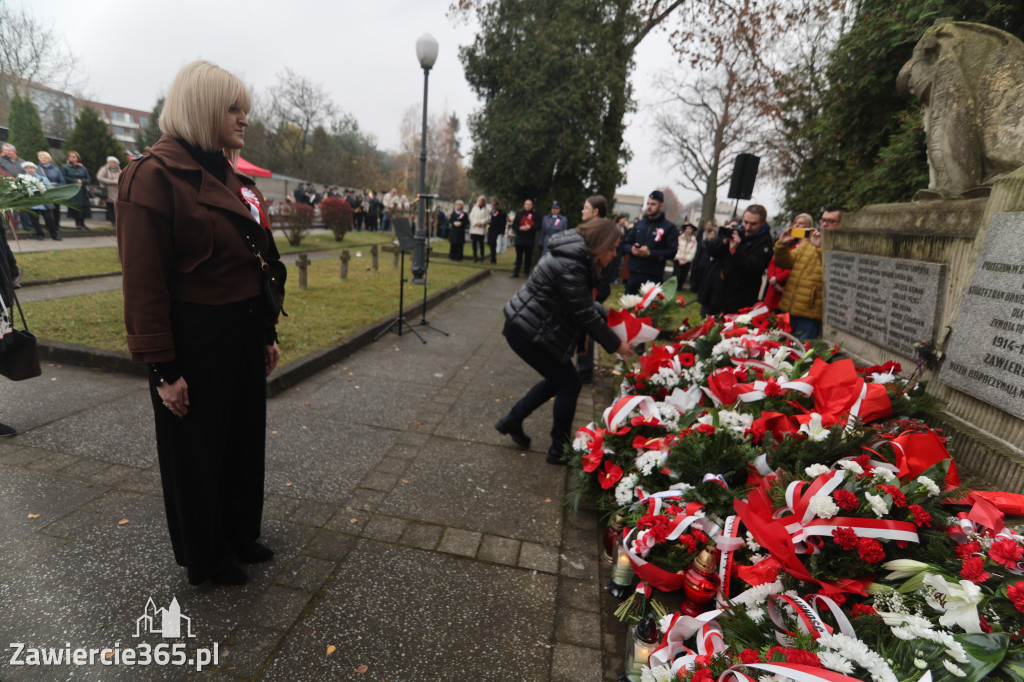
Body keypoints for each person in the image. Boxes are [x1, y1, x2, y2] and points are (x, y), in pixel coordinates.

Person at [116, 60, 280, 586]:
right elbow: (144, 284)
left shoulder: (228, 173)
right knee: (197, 454)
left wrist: (266, 332)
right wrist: (164, 369)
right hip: (195, 341)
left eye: (245, 108)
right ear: (204, 108)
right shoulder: (153, 176)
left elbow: (252, 258)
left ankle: (236, 532)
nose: (244, 118)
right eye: (234, 108)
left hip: (242, 331)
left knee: (240, 440)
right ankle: (205, 556)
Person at [497, 218, 635, 464]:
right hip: (526, 331)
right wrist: (616, 345)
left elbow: (582, 302)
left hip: (527, 327)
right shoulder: (574, 263)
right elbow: (584, 313)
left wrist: (614, 317)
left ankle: (512, 421)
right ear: (600, 244)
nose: (615, 254)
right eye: (612, 248)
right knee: (569, 384)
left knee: (558, 381)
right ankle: (557, 449)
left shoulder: (575, 257)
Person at [773, 208, 844, 339]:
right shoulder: (807, 242)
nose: (824, 224)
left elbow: (834, 272)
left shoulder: (842, 246)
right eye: (823, 220)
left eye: (831, 221)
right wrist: (782, 245)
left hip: (809, 316)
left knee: (801, 355)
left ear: (842, 224)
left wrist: (819, 248)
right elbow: (785, 262)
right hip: (788, 309)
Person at [697, 204, 774, 316]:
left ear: (763, 222)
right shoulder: (736, 229)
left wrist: (735, 251)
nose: (747, 227)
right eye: (746, 222)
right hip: (714, 293)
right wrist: (723, 241)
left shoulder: (765, 243)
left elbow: (753, 267)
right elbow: (711, 250)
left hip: (737, 300)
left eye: (753, 224)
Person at [620, 190, 678, 295]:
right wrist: (632, 250)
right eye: (648, 203)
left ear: (661, 206)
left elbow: (672, 251)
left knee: (648, 307)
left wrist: (650, 253)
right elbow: (625, 244)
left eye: (653, 204)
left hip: (653, 274)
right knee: (629, 305)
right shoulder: (639, 225)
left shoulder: (669, 227)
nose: (649, 207)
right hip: (634, 272)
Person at [764, 213, 813, 311]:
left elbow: (796, 266)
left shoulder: (808, 245)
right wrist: (772, 278)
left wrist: (777, 279)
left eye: (801, 223)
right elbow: (773, 261)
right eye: (795, 222)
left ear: (808, 227)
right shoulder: (788, 241)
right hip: (773, 285)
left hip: (786, 288)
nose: (796, 225)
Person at [19, 162, 54, 240]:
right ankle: (39, 234)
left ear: (35, 169)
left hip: (44, 202)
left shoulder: (42, 178)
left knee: (49, 219)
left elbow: (49, 189)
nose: (30, 170)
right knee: (34, 220)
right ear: (25, 170)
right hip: (31, 203)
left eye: (31, 168)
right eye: (27, 168)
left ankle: (54, 234)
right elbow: (20, 190)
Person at [37, 151, 66, 235]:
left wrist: (56, 188)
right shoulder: (37, 169)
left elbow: (62, 181)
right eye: (42, 157)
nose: (43, 159)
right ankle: (47, 225)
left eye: (45, 158)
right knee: (45, 210)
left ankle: (56, 225)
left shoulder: (56, 170)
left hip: (54, 193)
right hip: (42, 193)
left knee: (56, 210)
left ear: (49, 159)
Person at [510, 199, 539, 278]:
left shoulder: (535, 215)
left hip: (529, 239)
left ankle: (527, 273)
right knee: (518, 256)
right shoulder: (519, 214)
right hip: (520, 238)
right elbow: (514, 225)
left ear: (532, 206)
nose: (528, 206)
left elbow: (538, 226)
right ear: (524, 205)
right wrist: (520, 227)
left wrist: (530, 227)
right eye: (526, 204)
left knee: (528, 257)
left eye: (530, 205)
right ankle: (516, 272)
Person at [61, 151, 91, 228]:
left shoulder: (82, 167)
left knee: (84, 206)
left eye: (74, 156)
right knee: (75, 206)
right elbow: (64, 177)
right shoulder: (65, 167)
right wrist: (75, 181)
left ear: (77, 158)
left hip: (82, 190)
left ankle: (83, 222)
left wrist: (82, 181)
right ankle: (77, 222)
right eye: (71, 156)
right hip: (72, 190)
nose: (72, 158)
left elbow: (88, 179)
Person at [1, 144, 25, 234]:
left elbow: (26, 172)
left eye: (9, 150)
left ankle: (17, 227)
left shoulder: (21, 161)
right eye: (5, 150)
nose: (7, 152)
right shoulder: (0, 160)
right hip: (5, 188)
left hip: (19, 187)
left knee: (18, 207)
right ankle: (6, 226)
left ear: (14, 151)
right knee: (6, 208)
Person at [97, 156, 121, 225]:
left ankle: (117, 220)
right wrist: (112, 181)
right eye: (111, 162)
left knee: (117, 206)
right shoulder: (104, 169)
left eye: (114, 162)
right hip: (108, 190)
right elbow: (100, 177)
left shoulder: (119, 170)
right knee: (110, 206)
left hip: (116, 190)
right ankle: (112, 221)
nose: (113, 163)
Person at [468, 195, 489, 263]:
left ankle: (482, 257)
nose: (481, 202)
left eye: (482, 201)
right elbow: (471, 217)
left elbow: (487, 218)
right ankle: (475, 256)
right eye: (480, 201)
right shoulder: (474, 208)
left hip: (481, 229)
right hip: (474, 228)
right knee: (474, 243)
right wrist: (475, 223)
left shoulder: (486, 210)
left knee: (481, 244)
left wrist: (481, 223)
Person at [486, 198, 505, 265]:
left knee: (494, 244)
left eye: (494, 204)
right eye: (492, 204)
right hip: (491, 230)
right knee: (491, 245)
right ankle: (492, 258)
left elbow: (503, 222)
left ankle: (493, 259)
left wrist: (502, 232)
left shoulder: (500, 212)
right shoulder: (491, 212)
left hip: (497, 230)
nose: (493, 206)